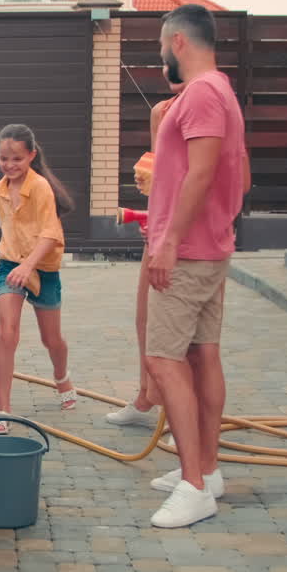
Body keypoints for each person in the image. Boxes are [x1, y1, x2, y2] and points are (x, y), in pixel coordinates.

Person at [144, 4, 247, 529]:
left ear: (178, 41)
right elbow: (240, 175)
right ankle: (207, 469)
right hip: (209, 249)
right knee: (202, 355)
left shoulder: (203, 93)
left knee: (164, 361)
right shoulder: (221, 92)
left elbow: (202, 174)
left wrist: (170, 241)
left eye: (162, 44)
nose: (161, 54)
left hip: (187, 255)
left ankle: (194, 487)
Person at [0, 123, 77, 434]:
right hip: (11, 265)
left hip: (43, 268)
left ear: (31, 156)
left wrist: (29, 266)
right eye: (4, 158)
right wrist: (18, 265)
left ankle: (62, 376)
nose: (9, 165)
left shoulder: (40, 187)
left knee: (51, 339)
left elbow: (51, 234)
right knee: (6, 333)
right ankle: (3, 411)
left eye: (17, 159)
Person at [106, 74, 183, 427]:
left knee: (180, 331)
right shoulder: (161, 111)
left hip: (186, 237)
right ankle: (146, 397)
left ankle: (182, 416)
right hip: (158, 232)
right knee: (145, 318)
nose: (167, 69)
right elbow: (162, 173)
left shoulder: (206, 106)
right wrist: (148, 181)